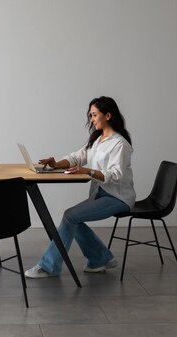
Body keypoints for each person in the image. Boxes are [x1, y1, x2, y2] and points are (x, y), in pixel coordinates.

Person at [25, 96, 136, 278]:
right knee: (73, 218)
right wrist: (55, 164)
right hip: (101, 194)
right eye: (91, 115)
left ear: (108, 115)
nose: (91, 119)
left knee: (70, 216)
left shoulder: (119, 144)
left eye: (94, 115)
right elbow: (77, 157)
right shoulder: (97, 139)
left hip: (118, 198)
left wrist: (88, 171)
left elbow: (115, 175)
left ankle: (49, 266)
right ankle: (101, 258)